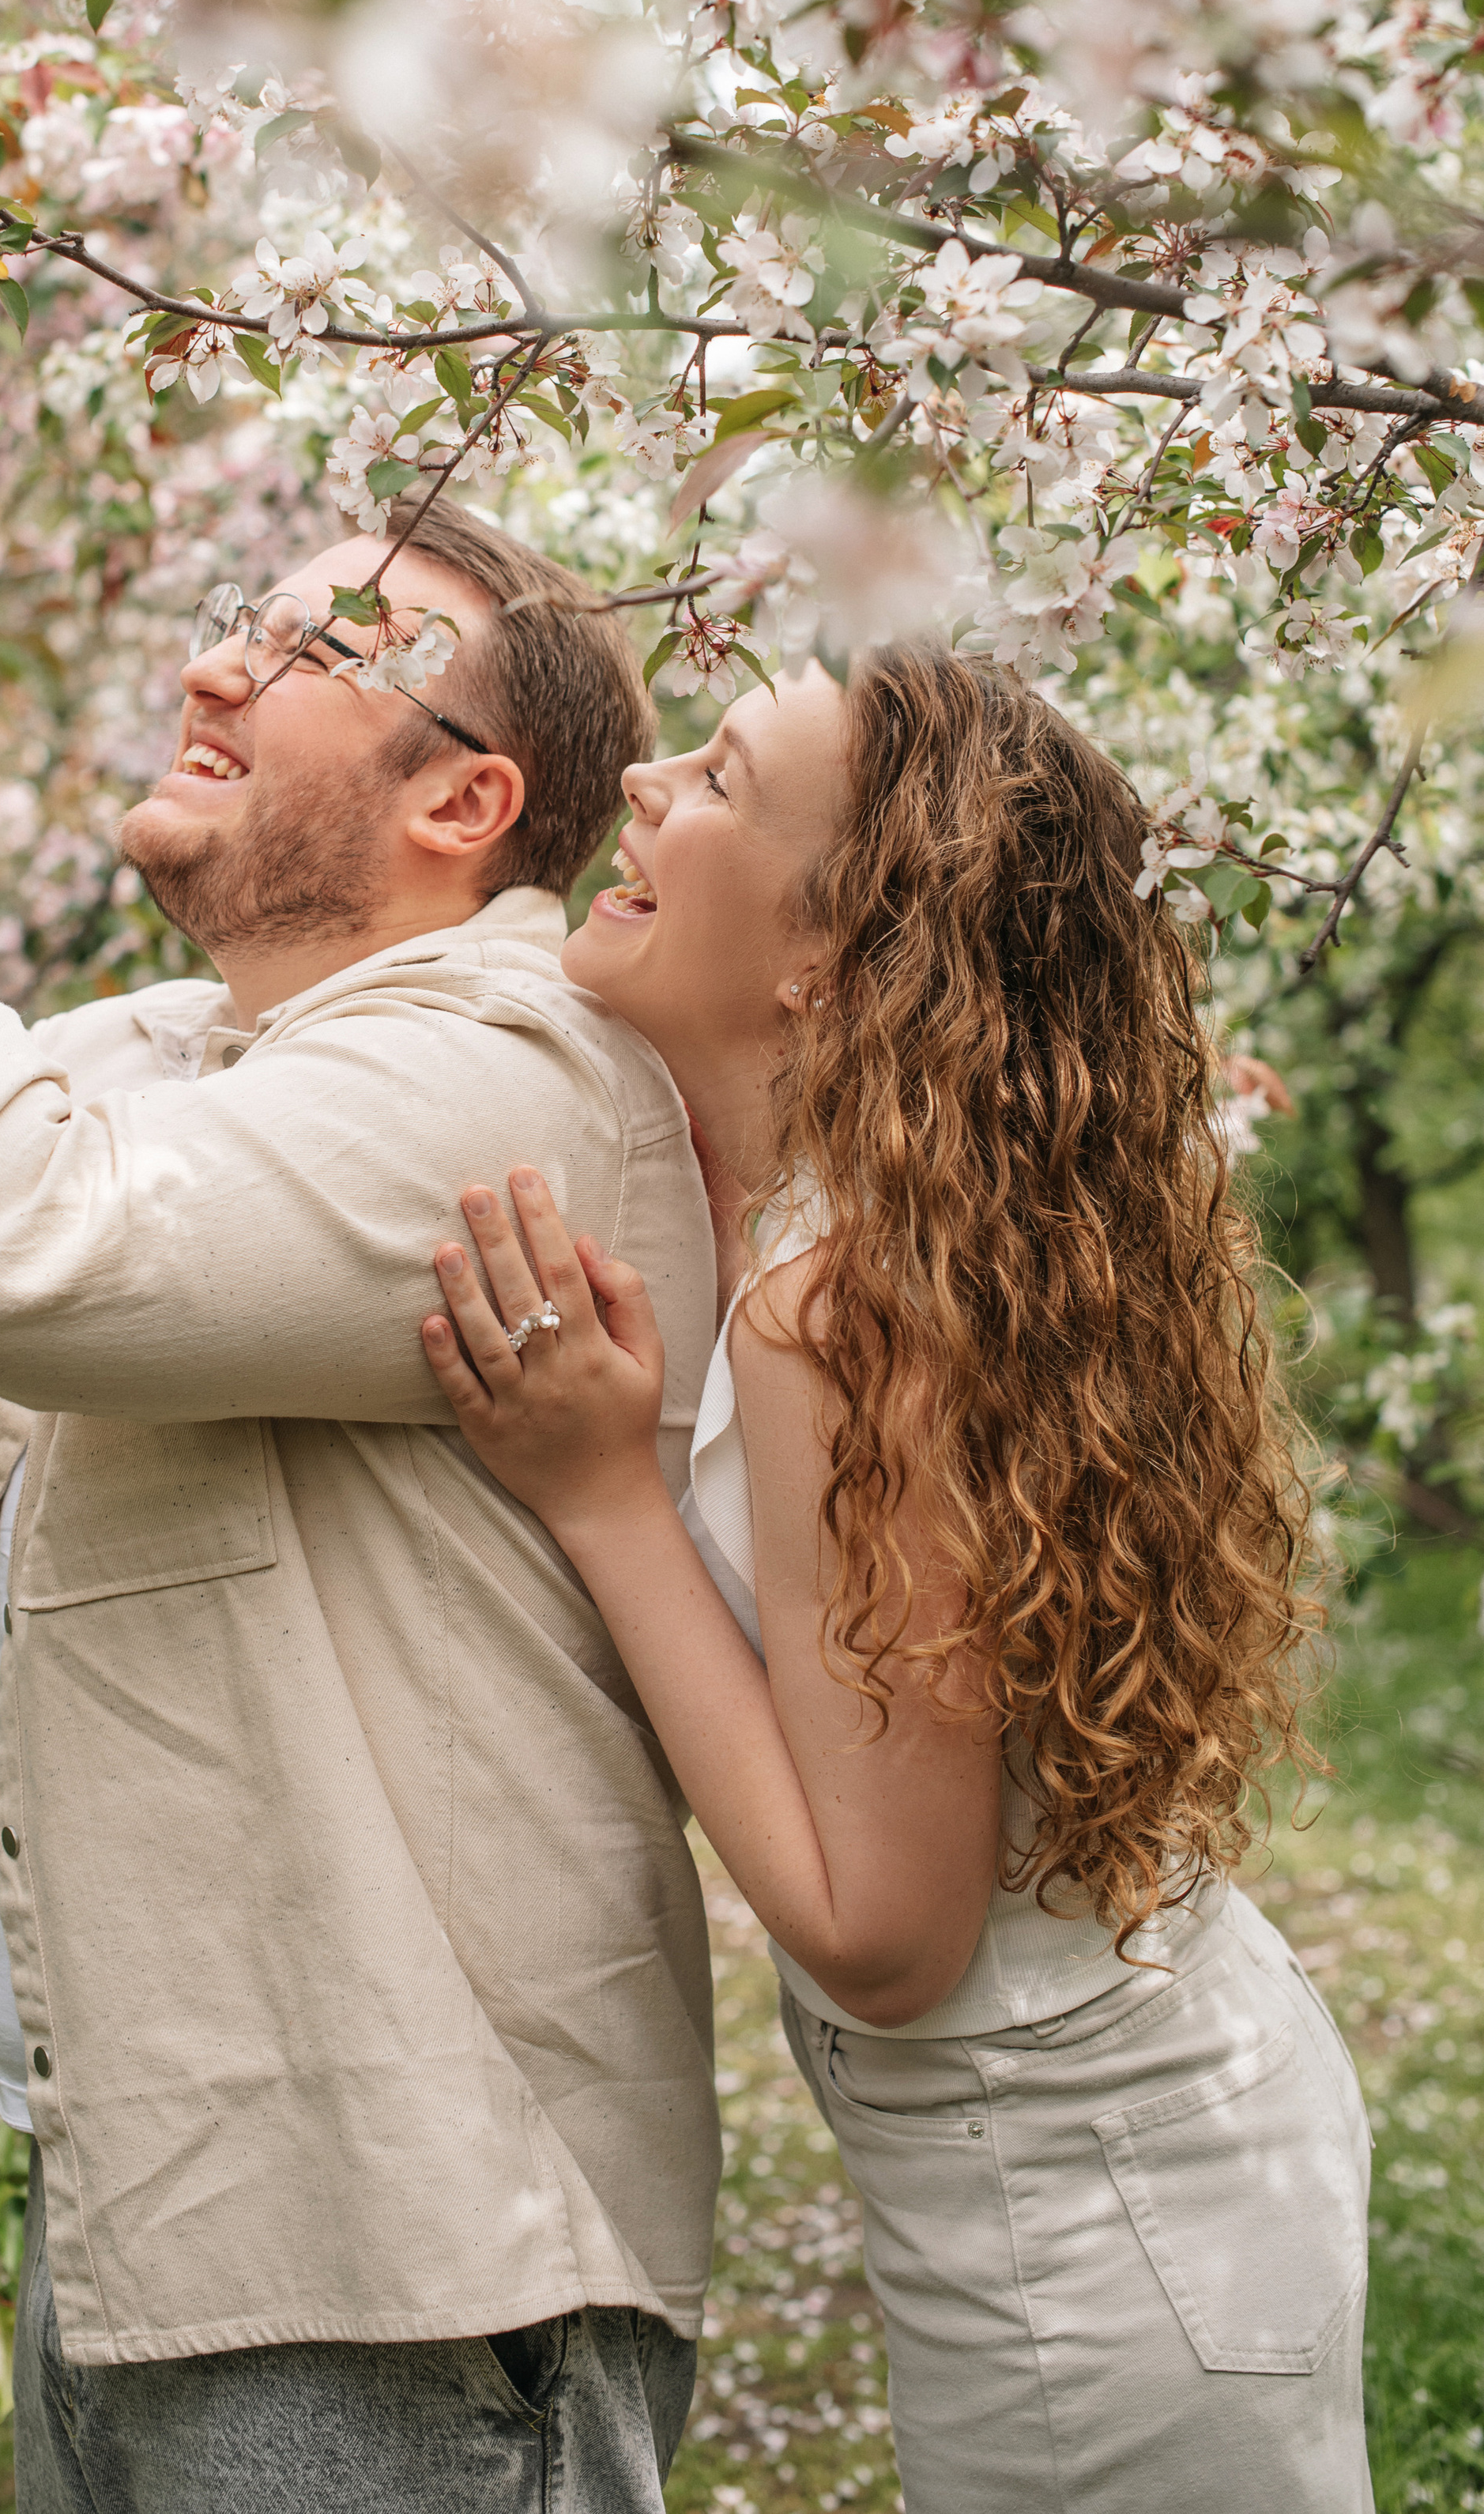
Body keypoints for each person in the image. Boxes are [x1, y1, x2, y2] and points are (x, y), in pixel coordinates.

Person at [0, 493, 721, 2514]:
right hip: (157, 2208)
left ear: (467, 804)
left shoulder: (509, 1084)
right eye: (234, 618)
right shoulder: (194, 1051)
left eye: (313, 652)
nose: (211, 672)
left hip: (398, 2269)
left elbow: (12, 1241)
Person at [420, 644, 1373, 2514]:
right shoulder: (868, 1226)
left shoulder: (843, 1303)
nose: (637, 782)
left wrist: (600, 1495)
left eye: (716, 779)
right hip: (1143, 2130)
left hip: (1098, 2221)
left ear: (825, 960)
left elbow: (882, 1935)